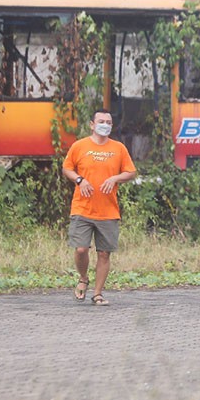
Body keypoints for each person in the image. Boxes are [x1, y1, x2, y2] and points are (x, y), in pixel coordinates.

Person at [62, 109, 137, 306]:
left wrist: (115, 178)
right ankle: (83, 277)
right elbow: (66, 168)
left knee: (104, 253)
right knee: (80, 249)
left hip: (108, 210)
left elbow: (131, 172)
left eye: (109, 122)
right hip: (82, 208)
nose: (105, 125)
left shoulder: (118, 148)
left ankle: (97, 294)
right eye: (101, 121)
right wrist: (80, 180)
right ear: (92, 125)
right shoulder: (80, 146)